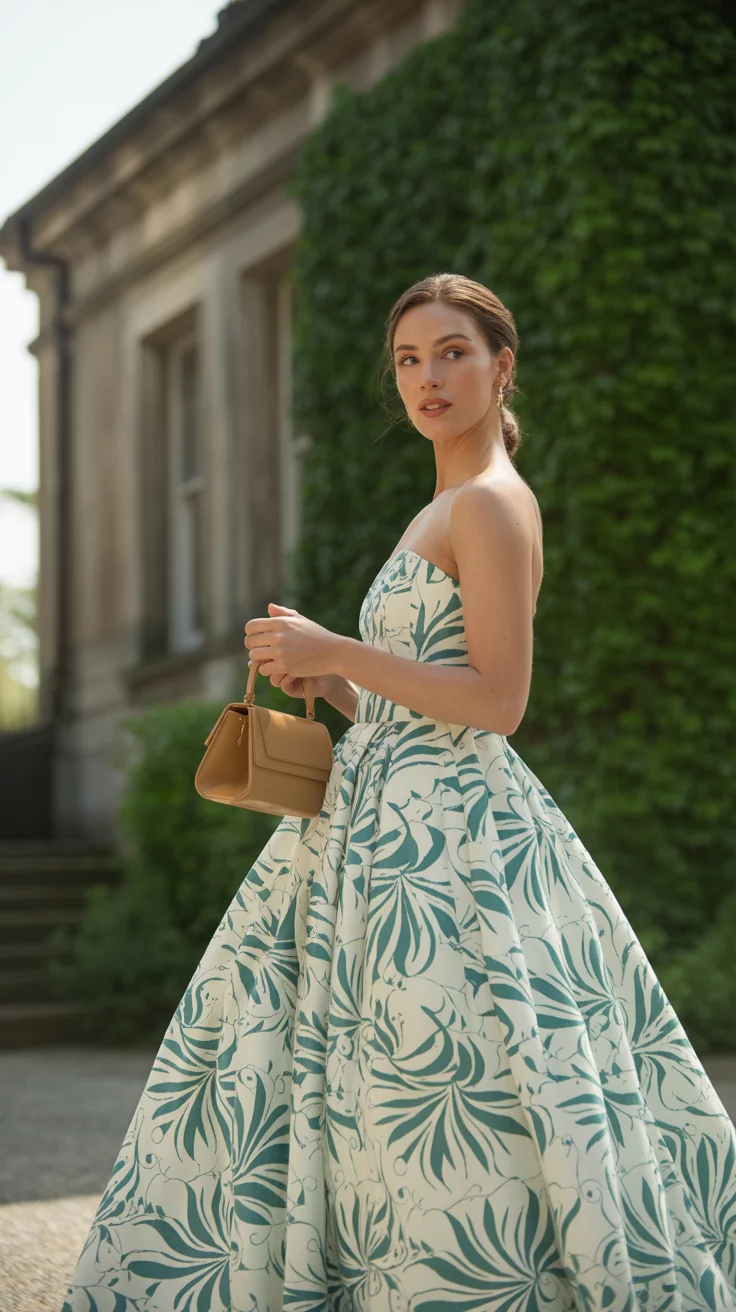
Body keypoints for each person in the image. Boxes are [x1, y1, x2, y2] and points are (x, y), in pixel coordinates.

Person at [63, 273, 736, 1312]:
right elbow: (419, 696)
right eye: (409, 359)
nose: (428, 377)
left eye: (453, 352)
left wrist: (339, 648)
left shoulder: (494, 504)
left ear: (501, 366)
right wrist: (331, 681)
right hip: (380, 833)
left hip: (449, 851)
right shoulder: (442, 506)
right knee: (369, 1081)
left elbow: (499, 701)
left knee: (438, 1075)